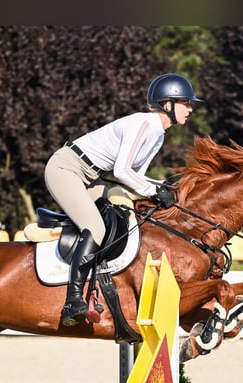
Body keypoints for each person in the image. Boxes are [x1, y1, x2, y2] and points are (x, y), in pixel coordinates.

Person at [44, 72, 203, 327]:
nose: (191, 108)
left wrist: (166, 189)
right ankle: (73, 300)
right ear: (167, 104)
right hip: (66, 168)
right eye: (186, 103)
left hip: (90, 176)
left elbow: (136, 176)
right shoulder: (144, 124)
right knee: (95, 227)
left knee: (120, 215)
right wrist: (153, 190)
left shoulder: (159, 134)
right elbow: (121, 171)